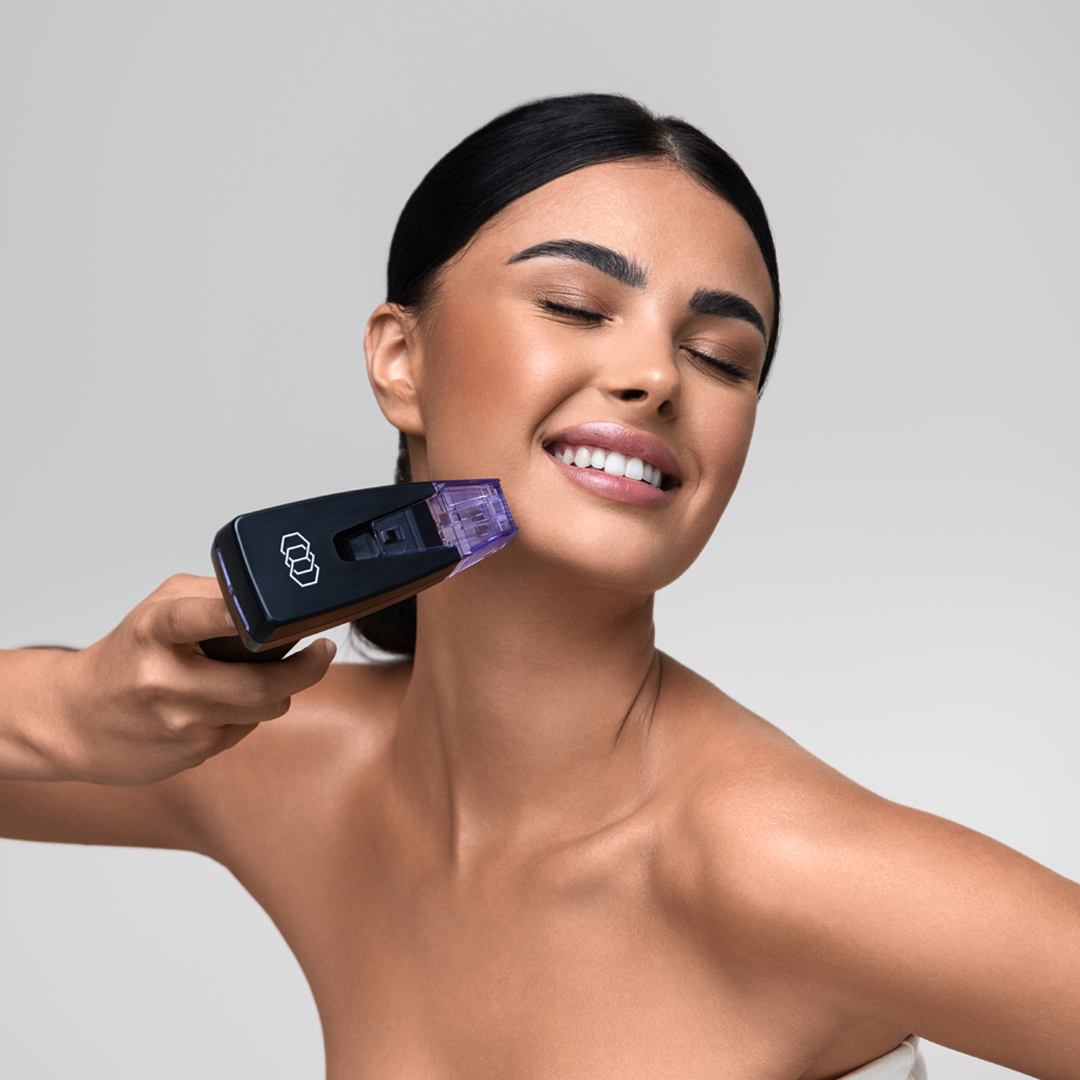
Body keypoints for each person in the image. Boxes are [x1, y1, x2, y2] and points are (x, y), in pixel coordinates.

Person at [0, 93, 1076, 1080]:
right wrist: (71, 717)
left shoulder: (784, 866)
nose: (656, 375)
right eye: (573, 303)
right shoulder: (285, 767)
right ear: (399, 362)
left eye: (721, 356)